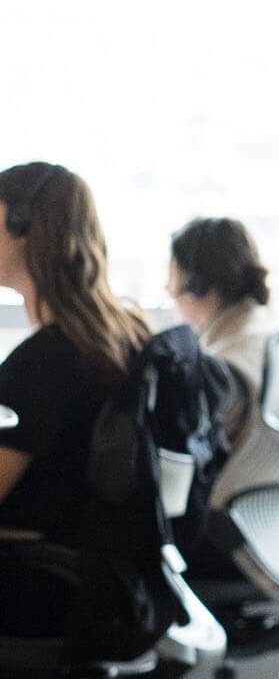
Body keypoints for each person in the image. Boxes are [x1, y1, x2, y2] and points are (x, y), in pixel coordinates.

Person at [0, 162, 152, 632]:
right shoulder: (126, 333)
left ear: (23, 227)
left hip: (41, 583)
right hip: (107, 582)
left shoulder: (44, 361)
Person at [167, 217, 279, 445]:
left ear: (195, 286)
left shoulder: (226, 367)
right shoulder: (278, 325)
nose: (169, 292)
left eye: (172, 284)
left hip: (245, 467)